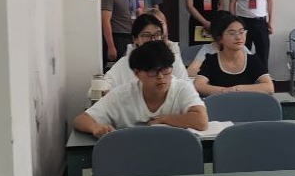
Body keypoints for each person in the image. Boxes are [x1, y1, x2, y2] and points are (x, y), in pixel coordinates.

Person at [74, 41, 208, 137]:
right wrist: (96, 128)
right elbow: (81, 119)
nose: (161, 76)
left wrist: (164, 119)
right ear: (137, 73)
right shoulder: (122, 95)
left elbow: (201, 121)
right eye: (153, 71)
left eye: (165, 69)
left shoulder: (182, 88)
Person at [100, 14, 189, 94]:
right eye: (147, 35)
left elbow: (186, 88)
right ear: (135, 39)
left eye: (157, 34)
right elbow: (105, 85)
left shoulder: (173, 60)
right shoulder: (124, 63)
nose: (153, 40)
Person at [194, 14, 274, 96]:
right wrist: (224, 91)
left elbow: (269, 87)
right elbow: (198, 85)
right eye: (232, 33)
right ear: (220, 38)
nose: (238, 37)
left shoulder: (253, 60)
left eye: (241, 32)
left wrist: (237, 89)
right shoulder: (211, 60)